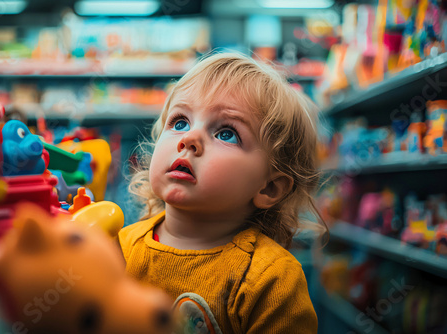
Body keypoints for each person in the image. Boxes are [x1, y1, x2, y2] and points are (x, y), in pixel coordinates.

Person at [119, 52, 325, 334]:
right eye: (180, 122)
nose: (188, 139)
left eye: (226, 133)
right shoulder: (119, 249)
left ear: (269, 187)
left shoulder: (271, 280)